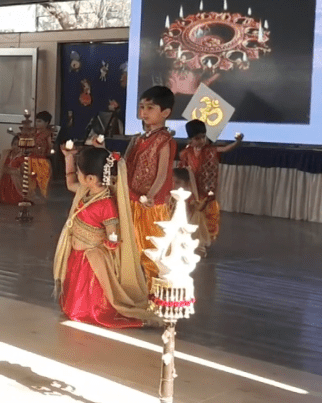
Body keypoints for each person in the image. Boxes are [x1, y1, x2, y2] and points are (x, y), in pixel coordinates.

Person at [53, 146, 157, 328]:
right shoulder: (86, 191)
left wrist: (112, 243)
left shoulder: (106, 203)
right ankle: (77, 307)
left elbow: (112, 230)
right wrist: (69, 158)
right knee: (76, 287)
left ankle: (91, 310)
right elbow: (71, 184)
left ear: (90, 179)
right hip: (78, 253)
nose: (76, 175)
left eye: (78, 171)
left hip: (92, 257)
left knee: (91, 289)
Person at [123, 86, 176, 289]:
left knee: (151, 249)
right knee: (133, 247)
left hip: (151, 205)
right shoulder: (138, 139)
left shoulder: (165, 140)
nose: (143, 112)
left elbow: (162, 173)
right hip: (132, 199)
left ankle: (154, 293)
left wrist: (151, 195)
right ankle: (135, 290)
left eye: (150, 107)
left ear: (165, 113)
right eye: (141, 107)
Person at [177, 119, 242, 244]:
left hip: (206, 191)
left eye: (203, 137)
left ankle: (204, 241)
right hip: (191, 191)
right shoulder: (186, 153)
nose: (201, 141)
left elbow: (225, 149)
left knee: (207, 216)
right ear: (190, 139)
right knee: (189, 215)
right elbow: (182, 170)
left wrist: (237, 142)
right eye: (197, 138)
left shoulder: (210, 150)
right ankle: (189, 240)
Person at [170, 168, 209, 257]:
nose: (174, 185)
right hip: (173, 226)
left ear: (187, 184)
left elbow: (195, 206)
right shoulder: (170, 194)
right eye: (172, 182)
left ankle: (196, 245)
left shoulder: (189, 196)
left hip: (186, 225)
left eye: (178, 182)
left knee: (197, 215)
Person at [29, 111, 54, 198]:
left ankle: (42, 196)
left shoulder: (47, 133)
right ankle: (31, 194)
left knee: (42, 178)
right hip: (31, 158)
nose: (37, 123)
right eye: (36, 121)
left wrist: (50, 150)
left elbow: (50, 145)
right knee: (30, 178)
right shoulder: (33, 132)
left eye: (39, 121)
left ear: (46, 123)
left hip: (41, 159)